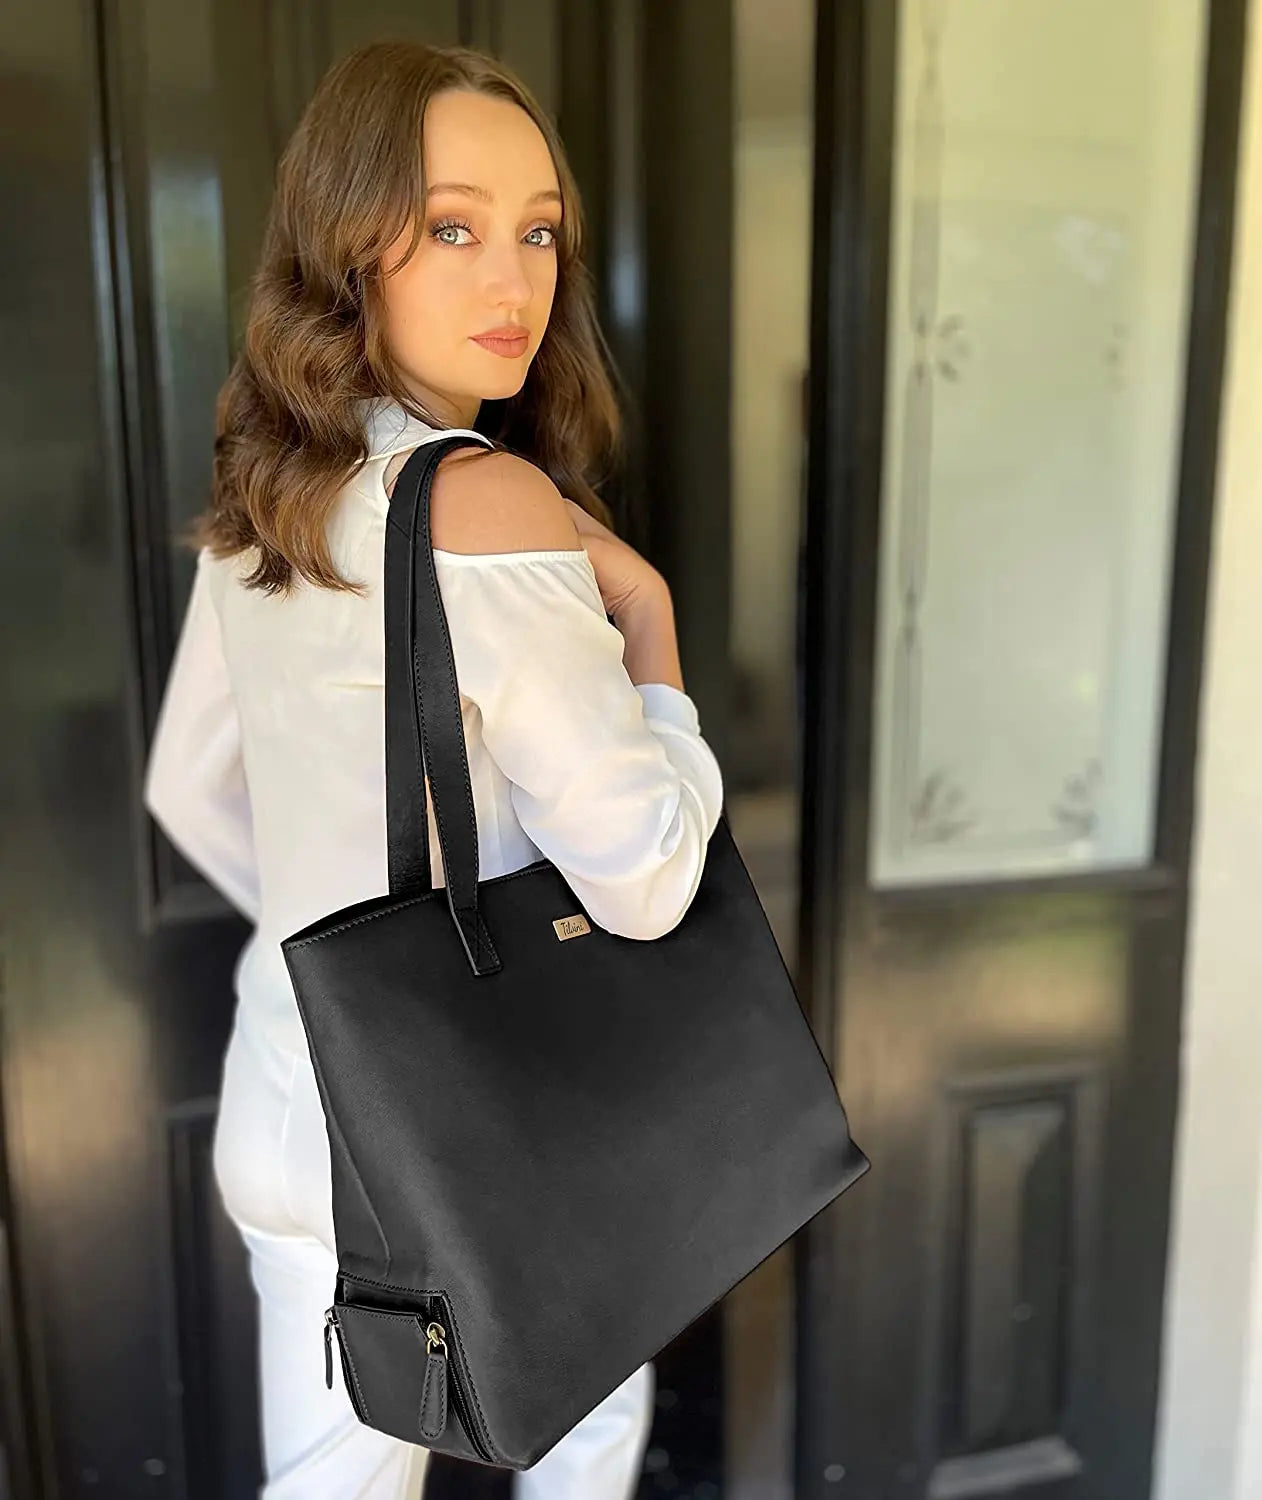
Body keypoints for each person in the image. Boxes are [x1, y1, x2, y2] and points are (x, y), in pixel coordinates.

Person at [142, 39, 724, 1500]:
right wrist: (653, 630)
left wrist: (359, 958)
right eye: (452, 229)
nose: (514, 279)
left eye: (539, 231)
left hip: (293, 1088)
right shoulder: (491, 500)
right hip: (501, 1105)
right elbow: (648, 882)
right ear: (353, 248)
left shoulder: (270, 489)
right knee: (587, 1437)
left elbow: (189, 787)